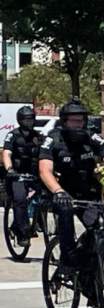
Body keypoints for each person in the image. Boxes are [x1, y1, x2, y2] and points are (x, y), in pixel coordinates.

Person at [39, 98, 104, 278]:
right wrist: (58, 191)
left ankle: (91, 276)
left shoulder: (92, 138)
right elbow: (44, 170)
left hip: (87, 191)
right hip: (63, 192)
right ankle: (68, 263)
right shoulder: (53, 140)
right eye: (74, 120)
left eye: (81, 120)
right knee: (65, 223)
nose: (78, 125)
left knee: (101, 231)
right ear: (64, 121)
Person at [2, 106, 42, 247]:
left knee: (48, 194)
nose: (29, 122)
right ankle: (21, 233)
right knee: (20, 200)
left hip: (33, 174)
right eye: (26, 119)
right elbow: (6, 153)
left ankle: (40, 222)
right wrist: (10, 169)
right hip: (16, 175)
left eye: (31, 119)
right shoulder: (12, 135)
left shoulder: (37, 136)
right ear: (20, 120)